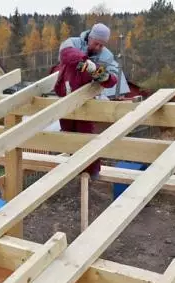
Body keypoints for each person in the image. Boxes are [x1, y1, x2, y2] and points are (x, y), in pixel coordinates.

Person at [51, 23, 128, 179]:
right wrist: (85, 62)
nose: (99, 47)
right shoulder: (72, 43)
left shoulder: (106, 56)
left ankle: (91, 171)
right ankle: (72, 168)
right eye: (96, 43)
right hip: (66, 93)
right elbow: (66, 54)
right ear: (90, 37)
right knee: (67, 133)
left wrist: (97, 71)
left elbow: (111, 79)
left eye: (102, 44)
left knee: (86, 135)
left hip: (86, 98)